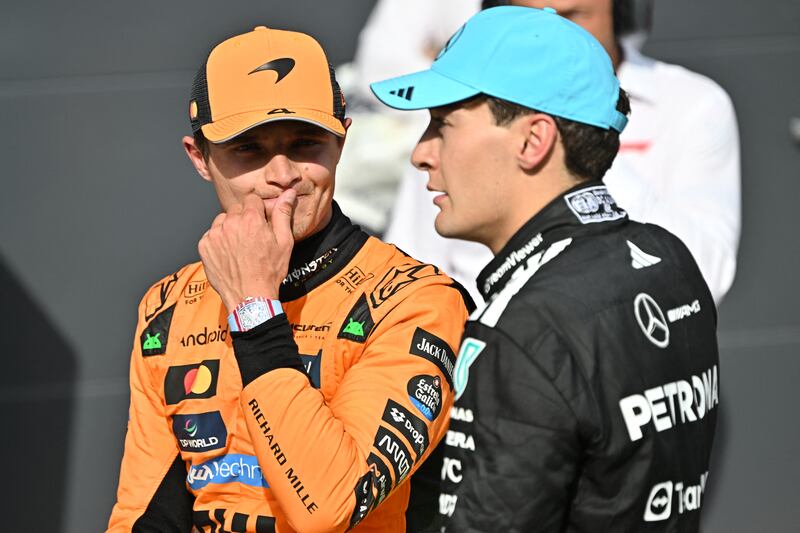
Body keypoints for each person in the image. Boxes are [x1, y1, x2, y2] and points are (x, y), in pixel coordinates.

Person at [107, 25, 470, 533]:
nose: (282, 173)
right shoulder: (169, 306)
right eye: (248, 150)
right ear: (200, 159)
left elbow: (330, 506)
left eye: (306, 144)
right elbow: (145, 515)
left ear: (341, 141)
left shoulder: (414, 301)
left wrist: (254, 309)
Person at [372, 6, 719, 531]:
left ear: (533, 141)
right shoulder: (668, 260)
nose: (421, 153)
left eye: (444, 125)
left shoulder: (522, 330)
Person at [384, 0, 741, 306]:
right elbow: (406, 279)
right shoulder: (460, 126)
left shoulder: (692, 103)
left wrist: (581, 137)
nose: (553, 39)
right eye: (531, 25)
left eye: (571, 18)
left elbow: (704, 278)